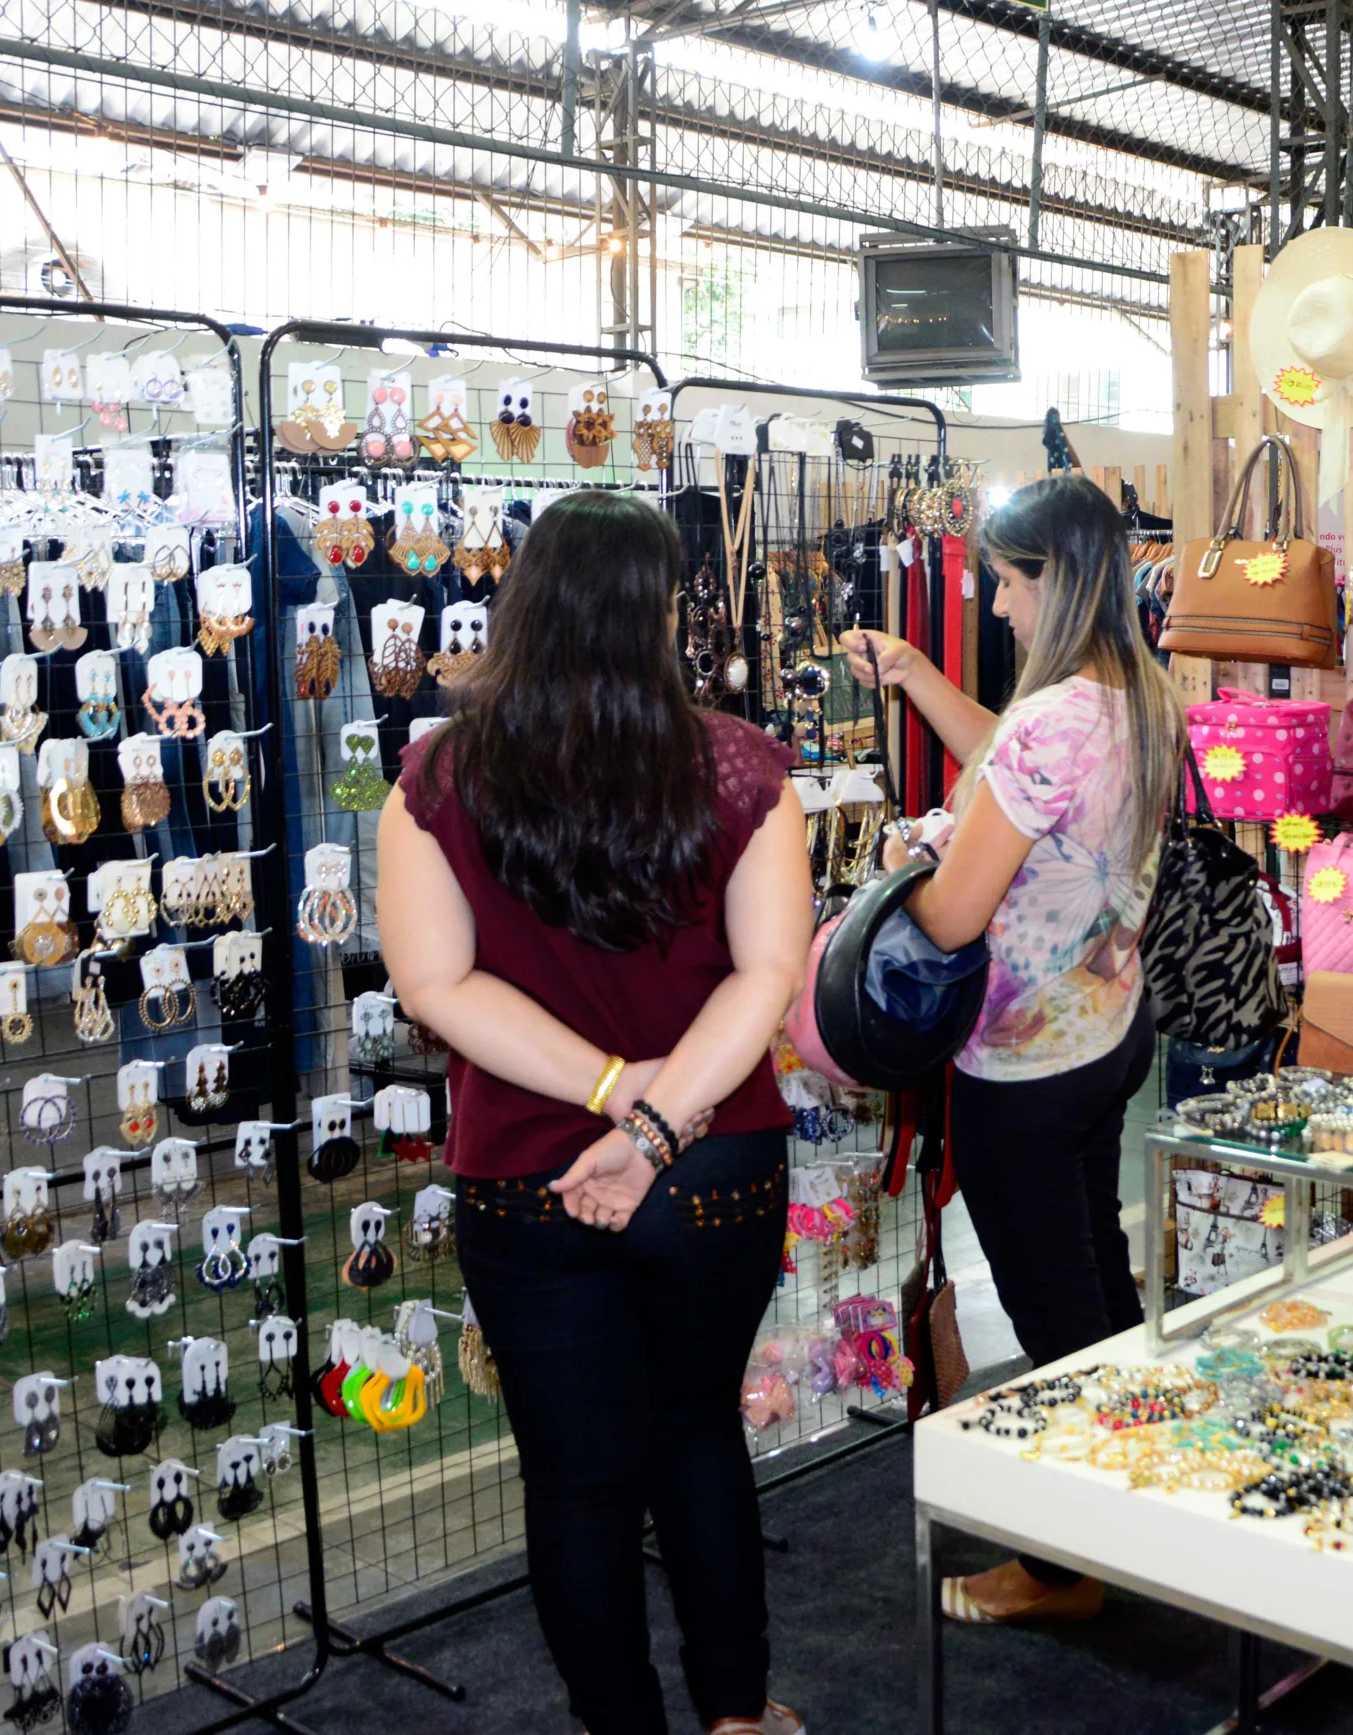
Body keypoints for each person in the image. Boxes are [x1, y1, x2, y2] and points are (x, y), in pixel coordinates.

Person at [377, 492, 813, 1735]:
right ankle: (737, 1715)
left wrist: (614, 1107)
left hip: (526, 1170)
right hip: (712, 1163)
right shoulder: (737, 763)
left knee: (575, 1485)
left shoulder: (440, 774)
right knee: (695, 1439)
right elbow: (766, 976)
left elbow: (433, 985)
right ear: (658, 612)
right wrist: (656, 1123)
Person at [846, 474, 1182, 1625]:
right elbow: (1012, 760)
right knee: (1095, 1281)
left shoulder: (1058, 719)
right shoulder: (1134, 696)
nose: (992, 604)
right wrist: (914, 675)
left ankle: (1064, 1563)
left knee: (1054, 1317)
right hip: (1104, 1037)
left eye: (1005, 580)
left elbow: (951, 915)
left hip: (1024, 1067)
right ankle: (1141, 1515)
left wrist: (906, 861)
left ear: (1057, 580)